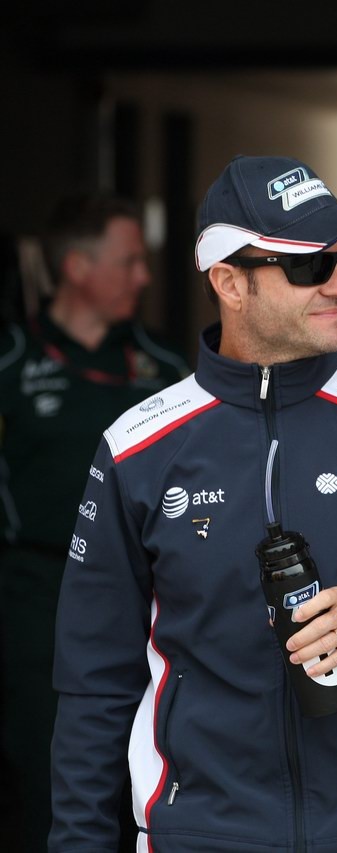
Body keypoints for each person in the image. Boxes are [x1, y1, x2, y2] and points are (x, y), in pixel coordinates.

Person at [48, 155, 337, 851]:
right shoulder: (136, 448)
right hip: (200, 832)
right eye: (309, 267)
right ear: (229, 282)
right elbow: (94, 684)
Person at [0, 193, 188, 853]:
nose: (144, 276)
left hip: (143, 596)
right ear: (78, 267)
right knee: (41, 763)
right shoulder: (11, 361)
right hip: (31, 594)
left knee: (142, 760)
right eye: (129, 261)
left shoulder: (165, 369)